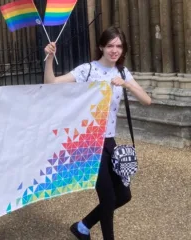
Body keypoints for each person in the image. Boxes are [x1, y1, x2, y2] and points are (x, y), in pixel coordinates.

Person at [44, 26, 151, 240]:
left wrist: (127, 84)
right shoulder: (88, 70)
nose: (114, 50)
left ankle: (82, 226)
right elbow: (51, 83)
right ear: (101, 46)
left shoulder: (122, 72)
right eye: (110, 45)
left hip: (109, 142)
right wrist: (49, 58)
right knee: (108, 198)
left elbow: (147, 100)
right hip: (89, 143)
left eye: (119, 46)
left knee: (123, 195)